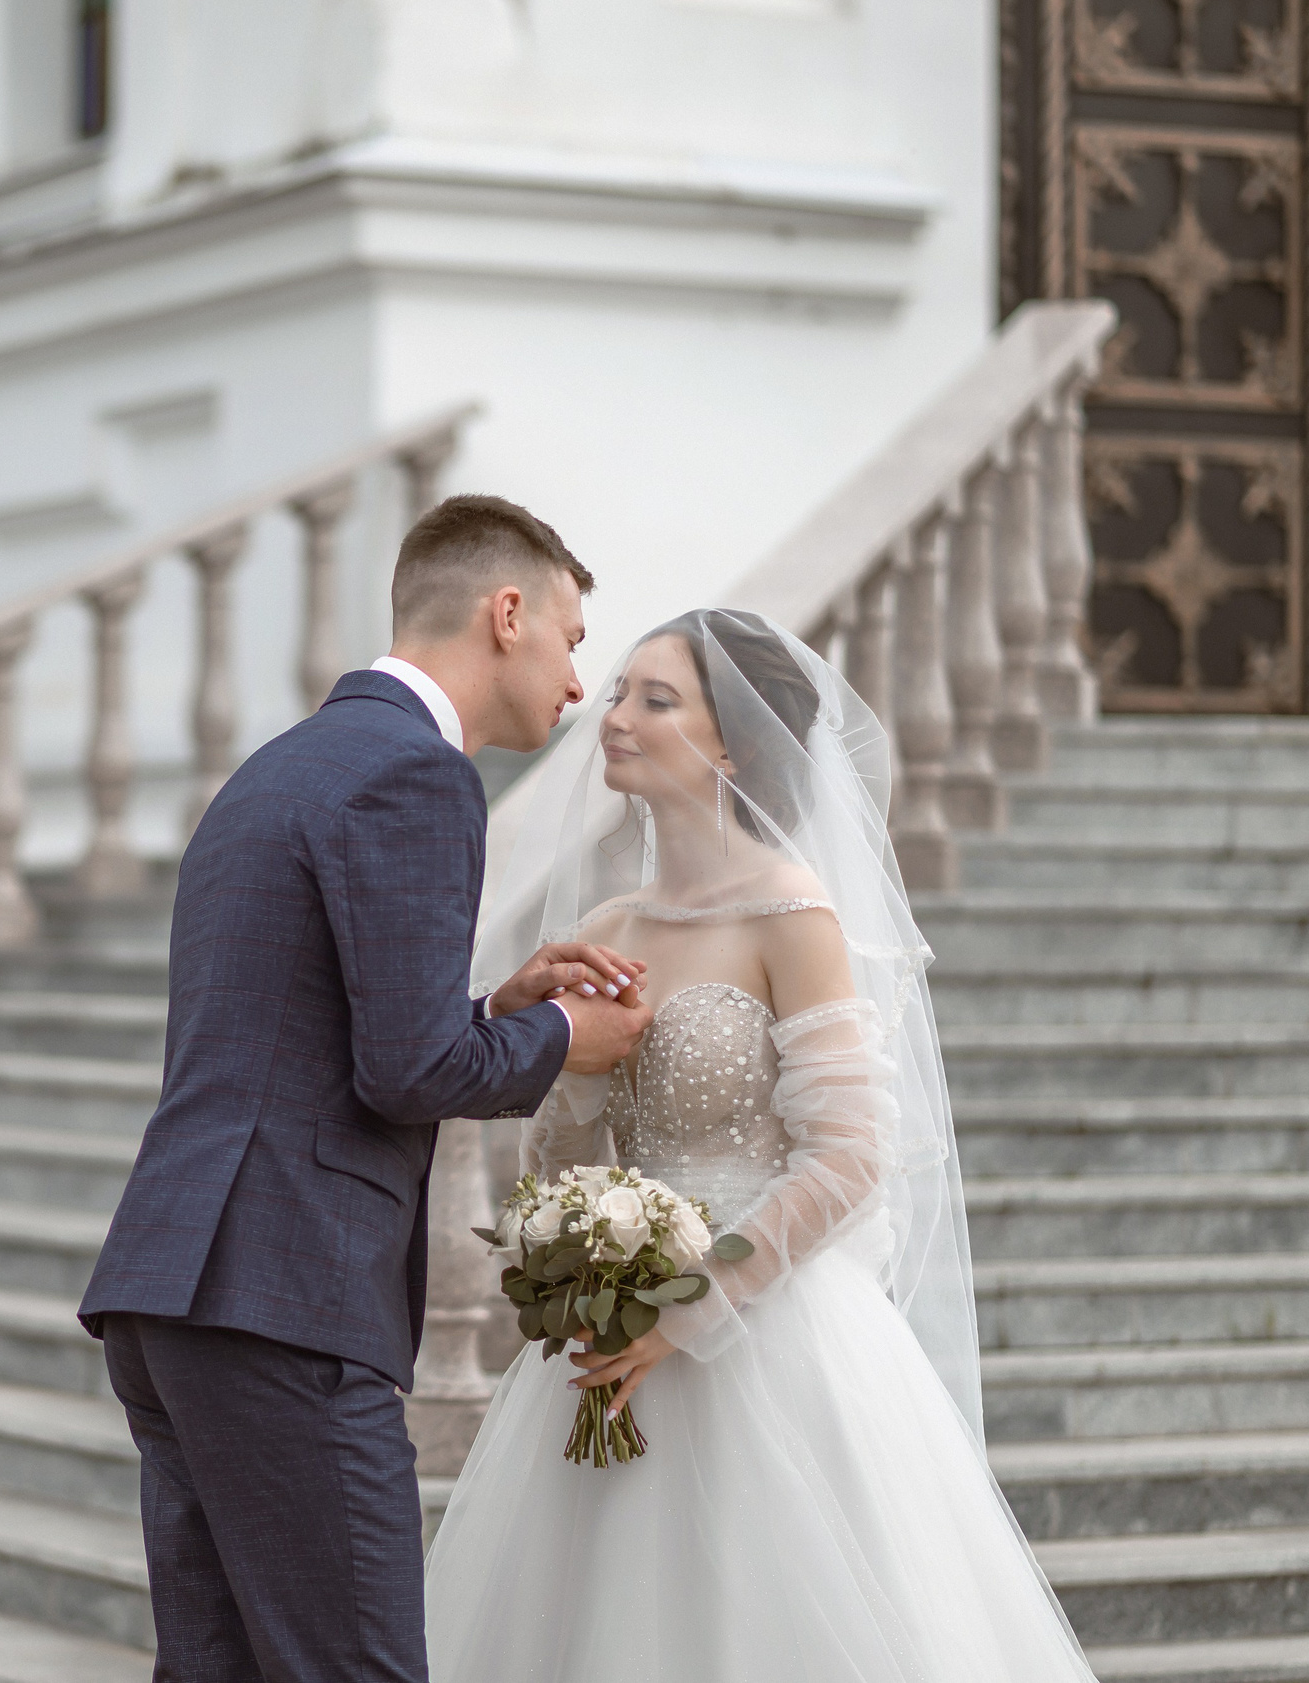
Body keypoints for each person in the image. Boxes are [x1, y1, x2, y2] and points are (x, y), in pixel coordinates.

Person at [422, 608, 1097, 1682]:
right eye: (617, 694)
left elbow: (846, 1156)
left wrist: (685, 1308)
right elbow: (560, 1163)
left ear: (730, 740)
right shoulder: (604, 928)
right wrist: (583, 1096)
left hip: (767, 1334)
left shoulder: (793, 914)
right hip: (610, 1349)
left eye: (656, 698)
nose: (617, 718)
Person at [78, 494, 653, 1683]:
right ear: (507, 616)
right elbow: (407, 1075)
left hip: (177, 1287)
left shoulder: (283, 765)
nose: (577, 682)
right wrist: (561, 1038)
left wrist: (495, 1008)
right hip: (282, 1296)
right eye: (572, 638)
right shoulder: (417, 779)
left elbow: (314, 1030)